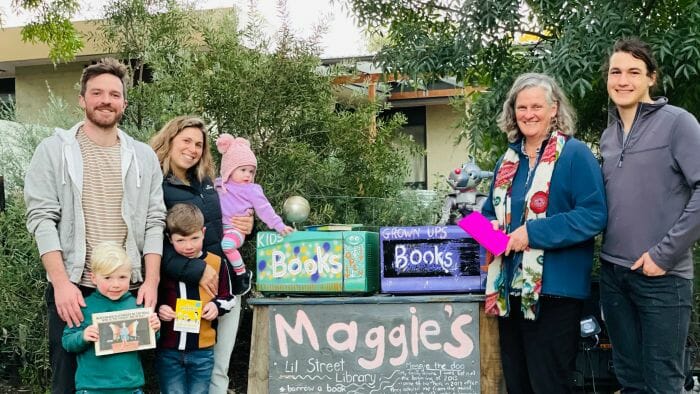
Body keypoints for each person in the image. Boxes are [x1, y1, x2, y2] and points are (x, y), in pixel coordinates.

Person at [24, 58, 166, 393]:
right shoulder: (54, 150)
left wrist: (152, 280)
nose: (106, 99)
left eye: (114, 94)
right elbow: (42, 218)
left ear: (124, 103)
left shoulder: (143, 157)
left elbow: (154, 221)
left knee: (123, 381)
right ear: (82, 99)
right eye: (97, 92)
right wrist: (61, 283)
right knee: (66, 381)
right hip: (75, 290)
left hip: (126, 290)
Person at [481, 72, 607, 393]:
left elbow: (594, 216)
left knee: (549, 385)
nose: (529, 114)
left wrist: (532, 233)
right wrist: (490, 234)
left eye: (537, 106)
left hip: (555, 295)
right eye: (522, 107)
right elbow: (483, 219)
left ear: (554, 109)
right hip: (510, 292)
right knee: (518, 386)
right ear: (513, 111)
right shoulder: (507, 161)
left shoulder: (575, 155)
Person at [599, 37, 700, 392]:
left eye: (633, 72)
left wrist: (663, 255)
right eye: (615, 72)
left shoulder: (678, 123)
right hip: (614, 276)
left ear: (651, 78)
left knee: (663, 382)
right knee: (630, 380)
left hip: (663, 277)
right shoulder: (608, 137)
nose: (622, 80)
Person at [150, 116, 253, 393]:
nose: (193, 149)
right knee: (178, 368)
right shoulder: (156, 185)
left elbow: (221, 226)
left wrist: (246, 225)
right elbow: (153, 245)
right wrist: (198, 270)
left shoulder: (208, 182)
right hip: (182, 291)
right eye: (186, 141)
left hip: (223, 287)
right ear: (169, 141)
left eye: (199, 144)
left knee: (219, 368)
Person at [62, 242, 161, 394]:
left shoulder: (136, 305)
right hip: (92, 388)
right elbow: (67, 341)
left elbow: (149, 342)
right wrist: (83, 336)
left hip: (130, 387)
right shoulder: (84, 306)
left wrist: (154, 329)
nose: (115, 284)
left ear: (131, 276)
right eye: (107, 277)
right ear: (93, 278)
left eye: (122, 277)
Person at [156, 203, 234, 393]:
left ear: (204, 232)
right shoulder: (165, 265)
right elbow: (153, 297)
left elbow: (229, 298)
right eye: (181, 240)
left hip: (202, 349)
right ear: (169, 239)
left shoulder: (216, 262)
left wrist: (217, 306)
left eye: (194, 238)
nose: (189, 246)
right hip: (169, 348)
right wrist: (160, 309)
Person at [215, 134, 293, 280]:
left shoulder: (252, 190)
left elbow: (265, 209)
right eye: (243, 170)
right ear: (229, 169)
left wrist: (279, 225)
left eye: (251, 171)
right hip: (220, 229)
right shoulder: (219, 185)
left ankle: (241, 273)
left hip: (236, 230)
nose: (248, 175)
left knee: (227, 245)